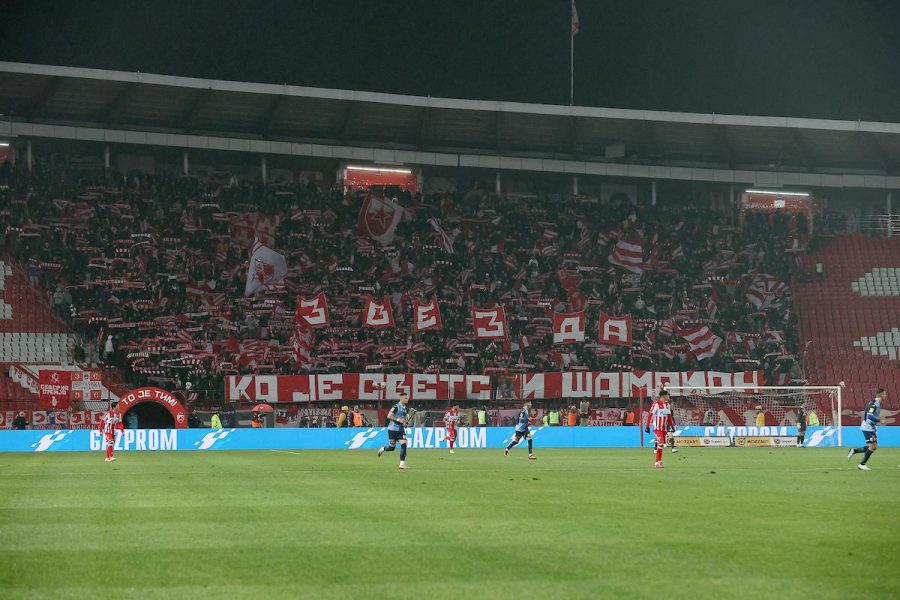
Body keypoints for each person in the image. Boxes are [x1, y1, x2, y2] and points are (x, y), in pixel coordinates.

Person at [848, 388, 885, 471]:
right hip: (867, 427)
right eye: (884, 394)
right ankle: (862, 464)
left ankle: (854, 451)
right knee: (872, 446)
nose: (885, 396)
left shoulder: (876, 403)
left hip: (871, 427)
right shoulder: (874, 404)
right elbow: (869, 415)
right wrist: (879, 420)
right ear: (881, 395)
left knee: (873, 446)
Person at [378, 392, 410, 469]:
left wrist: (405, 423)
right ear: (401, 398)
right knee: (392, 448)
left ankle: (402, 464)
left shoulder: (405, 408)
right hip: (392, 429)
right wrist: (398, 420)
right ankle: (383, 449)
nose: (407, 400)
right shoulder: (395, 407)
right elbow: (389, 416)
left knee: (404, 445)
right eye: (405, 398)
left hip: (401, 430)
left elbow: (404, 419)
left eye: (407, 398)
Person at [645, 390, 675, 469]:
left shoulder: (667, 405)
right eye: (668, 395)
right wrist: (647, 426)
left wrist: (672, 426)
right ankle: (658, 462)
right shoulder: (656, 404)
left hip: (664, 429)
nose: (668, 397)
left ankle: (658, 461)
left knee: (661, 445)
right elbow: (650, 415)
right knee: (661, 442)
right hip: (657, 428)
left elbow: (669, 417)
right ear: (663, 396)